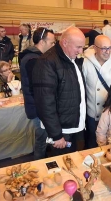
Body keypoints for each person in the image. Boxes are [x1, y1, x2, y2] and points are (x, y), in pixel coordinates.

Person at [32, 27, 86, 156]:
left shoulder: (70, 58)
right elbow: (45, 103)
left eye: (82, 47)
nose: (81, 51)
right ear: (65, 42)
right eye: (78, 47)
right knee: (61, 167)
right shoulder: (47, 62)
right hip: (62, 131)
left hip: (73, 125)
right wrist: (56, 135)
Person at [19, 27, 56, 160]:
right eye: (52, 43)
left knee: (44, 139)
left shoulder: (33, 56)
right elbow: (38, 89)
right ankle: (39, 165)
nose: (53, 46)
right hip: (38, 107)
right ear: (42, 41)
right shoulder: (33, 59)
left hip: (38, 105)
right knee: (42, 139)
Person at [83, 35, 111, 148]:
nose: (108, 51)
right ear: (95, 48)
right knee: (92, 141)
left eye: (110, 48)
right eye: (104, 48)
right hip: (93, 113)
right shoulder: (86, 62)